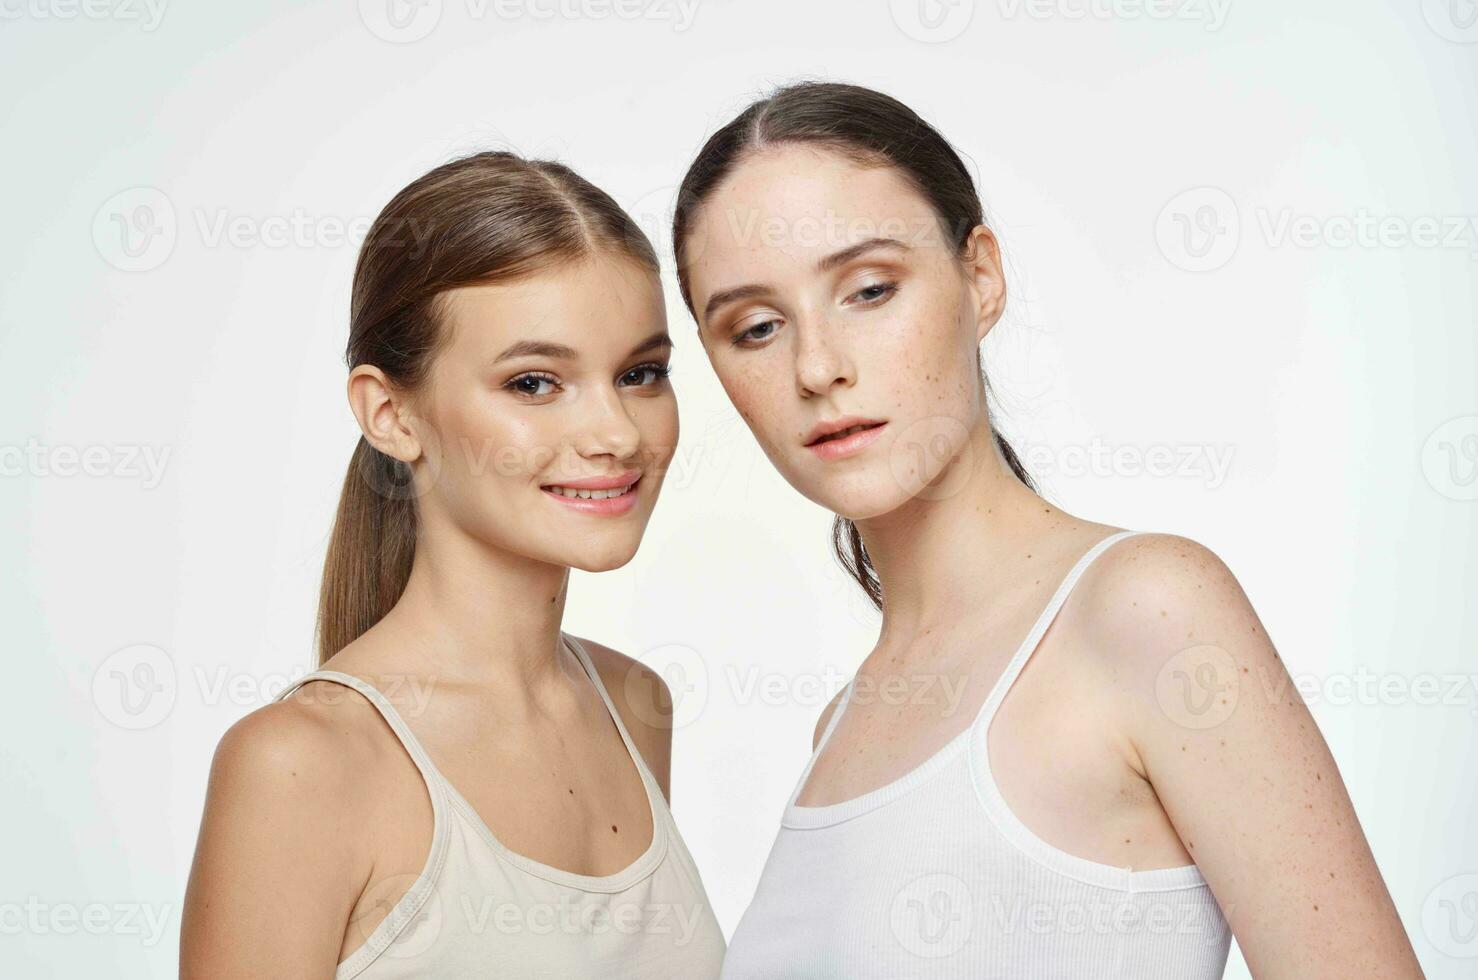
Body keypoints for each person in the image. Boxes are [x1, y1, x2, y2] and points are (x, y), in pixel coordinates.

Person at [672, 81, 1424, 978]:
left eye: (870, 289)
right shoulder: (842, 725)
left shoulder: (1147, 608)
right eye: (755, 327)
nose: (818, 366)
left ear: (980, 278)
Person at [181, 150, 725, 978]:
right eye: (536, 383)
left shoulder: (633, 706)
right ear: (391, 414)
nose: (617, 433)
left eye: (641, 374)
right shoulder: (300, 767)